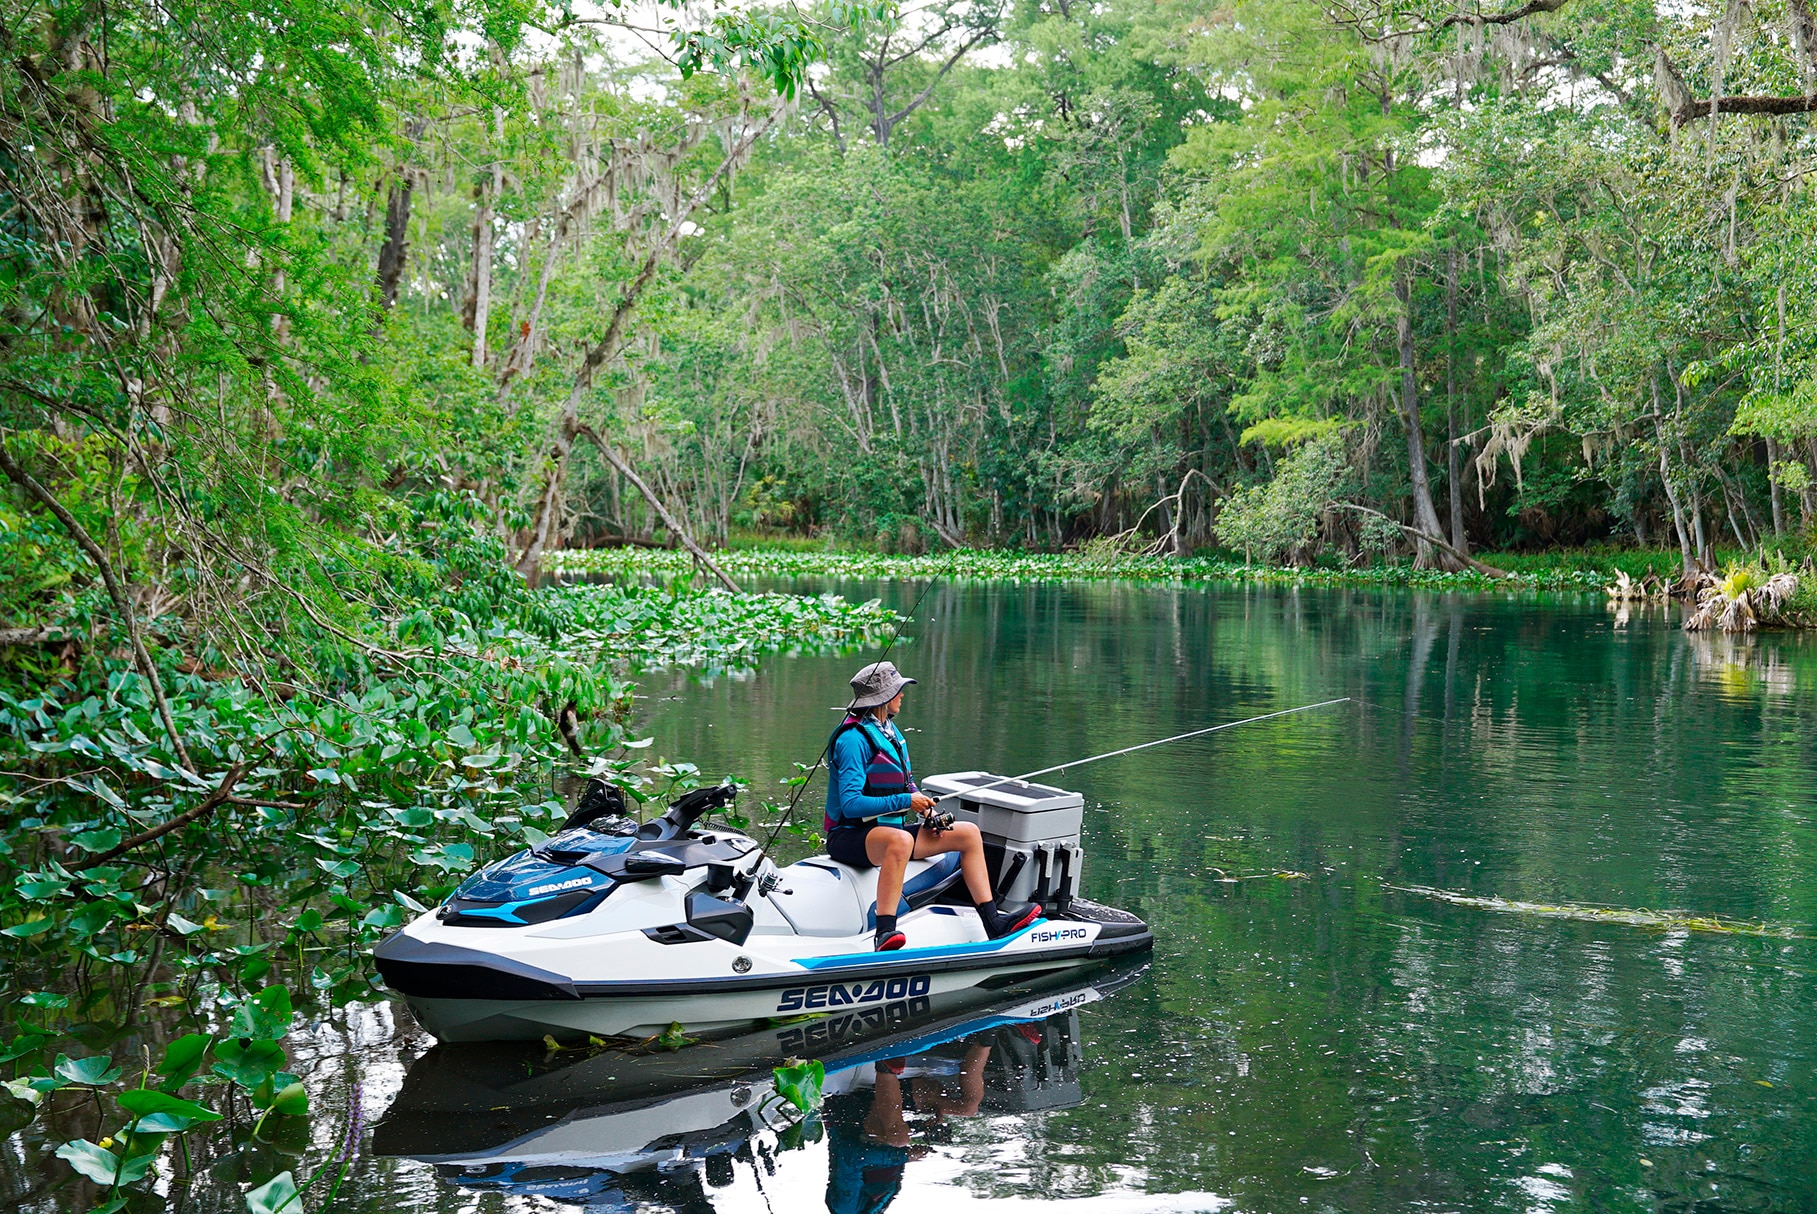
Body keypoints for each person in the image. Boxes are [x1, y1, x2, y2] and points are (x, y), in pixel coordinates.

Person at [824, 660, 1039, 951]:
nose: (902, 695)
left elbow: (905, 784)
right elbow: (850, 805)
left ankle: (993, 922)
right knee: (899, 840)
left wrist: (926, 811)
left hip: (887, 831)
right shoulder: (852, 740)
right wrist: (906, 800)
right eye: (898, 690)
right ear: (883, 698)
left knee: (968, 833)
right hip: (848, 837)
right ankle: (885, 932)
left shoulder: (890, 733)